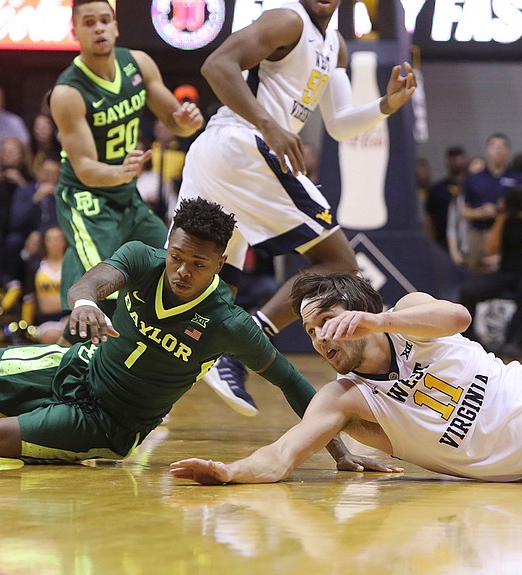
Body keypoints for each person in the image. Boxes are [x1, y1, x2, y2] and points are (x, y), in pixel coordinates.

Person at [0, 198, 382, 470]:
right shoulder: (142, 258)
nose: (181, 271)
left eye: (197, 265)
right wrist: (84, 302)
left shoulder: (229, 324)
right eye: (177, 256)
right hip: (79, 366)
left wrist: (338, 453)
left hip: (108, 422)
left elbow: (292, 383)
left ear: (220, 265)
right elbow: (94, 279)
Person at [171, 271, 522, 487]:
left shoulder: (405, 315)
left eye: (327, 321)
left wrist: (379, 321)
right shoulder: (344, 400)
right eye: (311, 330)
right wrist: (232, 472)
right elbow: (281, 456)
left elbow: (458, 317)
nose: (320, 337)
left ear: (361, 312)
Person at [173, 0, 417, 415]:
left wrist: (386, 106)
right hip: (244, 144)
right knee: (337, 260)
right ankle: (246, 342)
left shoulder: (334, 46)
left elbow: (338, 123)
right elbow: (217, 66)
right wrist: (270, 124)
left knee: (208, 283)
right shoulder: (287, 19)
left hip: (217, 154)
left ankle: (143, 392)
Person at [49, 0, 203, 343]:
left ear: (116, 26)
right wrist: (121, 172)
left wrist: (186, 122)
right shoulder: (68, 91)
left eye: (105, 20)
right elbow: (86, 169)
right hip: (86, 197)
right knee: (104, 288)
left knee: (165, 260)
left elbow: (173, 120)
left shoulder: (139, 63)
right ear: (76, 31)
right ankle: (58, 371)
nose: (99, 28)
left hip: (124, 189)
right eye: (89, 22)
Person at [459, 182, 522, 358]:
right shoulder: (508, 220)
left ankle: (520, 343)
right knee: (469, 290)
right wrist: (501, 216)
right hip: (508, 272)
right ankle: (467, 341)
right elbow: (490, 249)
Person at [461, 133, 522, 272]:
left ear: (507, 151)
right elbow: (464, 211)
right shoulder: (475, 178)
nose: (498, 151)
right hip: (478, 232)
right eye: (494, 147)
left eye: (501, 147)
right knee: (474, 272)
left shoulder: (516, 178)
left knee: (502, 272)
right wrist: (479, 213)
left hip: (505, 232)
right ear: (487, 150)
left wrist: (498, 211)